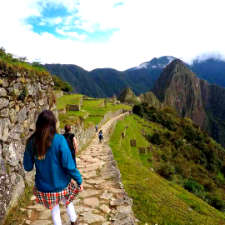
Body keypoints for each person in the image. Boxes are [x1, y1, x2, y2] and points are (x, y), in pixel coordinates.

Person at [23, 110, 83, 225]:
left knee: (54, 210)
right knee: (68, 200)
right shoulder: (60, 140)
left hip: (44, 187)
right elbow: (69, 165)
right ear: (54, 124)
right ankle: (74, 221)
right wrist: (79, 180)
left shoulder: (31, 142)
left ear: (38, 124)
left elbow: (28, 167)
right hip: (62, 184)